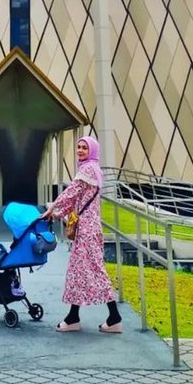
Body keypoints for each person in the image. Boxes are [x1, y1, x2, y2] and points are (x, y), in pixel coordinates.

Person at [43, 134, 122, 333]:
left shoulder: (87, 170)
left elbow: (70, 193)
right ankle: (75, 317)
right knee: (80, 271)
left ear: (92, 150)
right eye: (78, 147)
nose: (80, 150)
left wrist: (52, 208)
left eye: (84, 148)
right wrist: (55, 213)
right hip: (89, 228)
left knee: (93, 270)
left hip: (87, 229)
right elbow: (75, 199)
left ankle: (112, 317)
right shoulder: (94, 169)